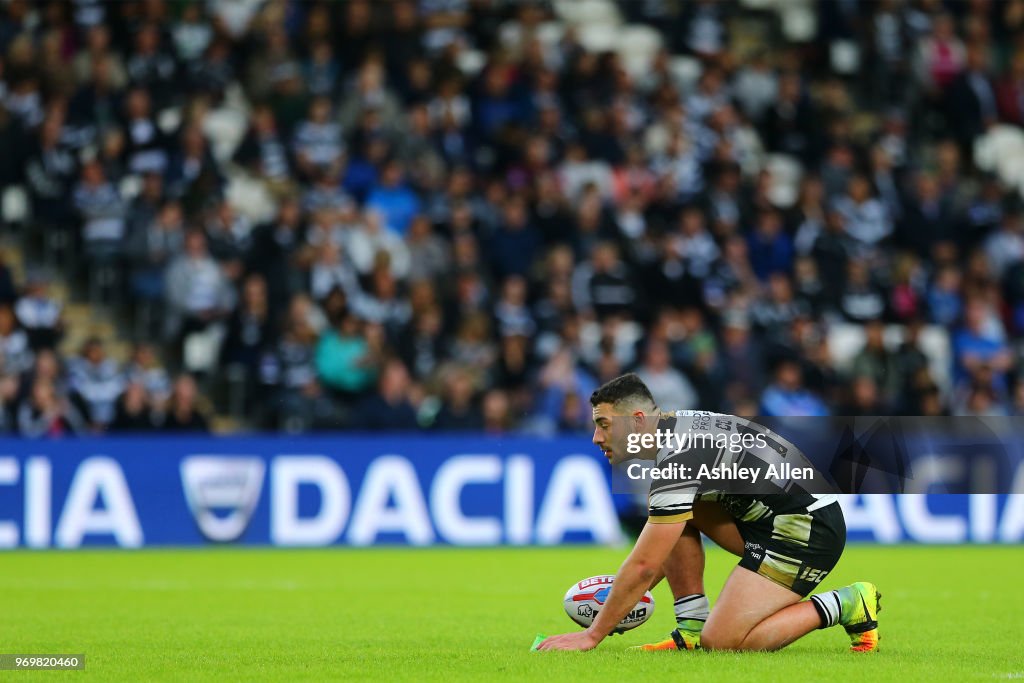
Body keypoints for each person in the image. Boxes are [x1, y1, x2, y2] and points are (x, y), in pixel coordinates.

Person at [537, 373, 880, 653]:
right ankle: (689, 630)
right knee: (670, 516)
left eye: (604, 424)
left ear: (637, 421)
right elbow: (652, 557)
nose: (596, 437)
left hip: (806, 531)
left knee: (724, 643)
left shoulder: (679, 457)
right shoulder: (675, 429)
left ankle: (847, 603)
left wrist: (593, 635)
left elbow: (644, 566)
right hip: (769, 518)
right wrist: (622, 599)